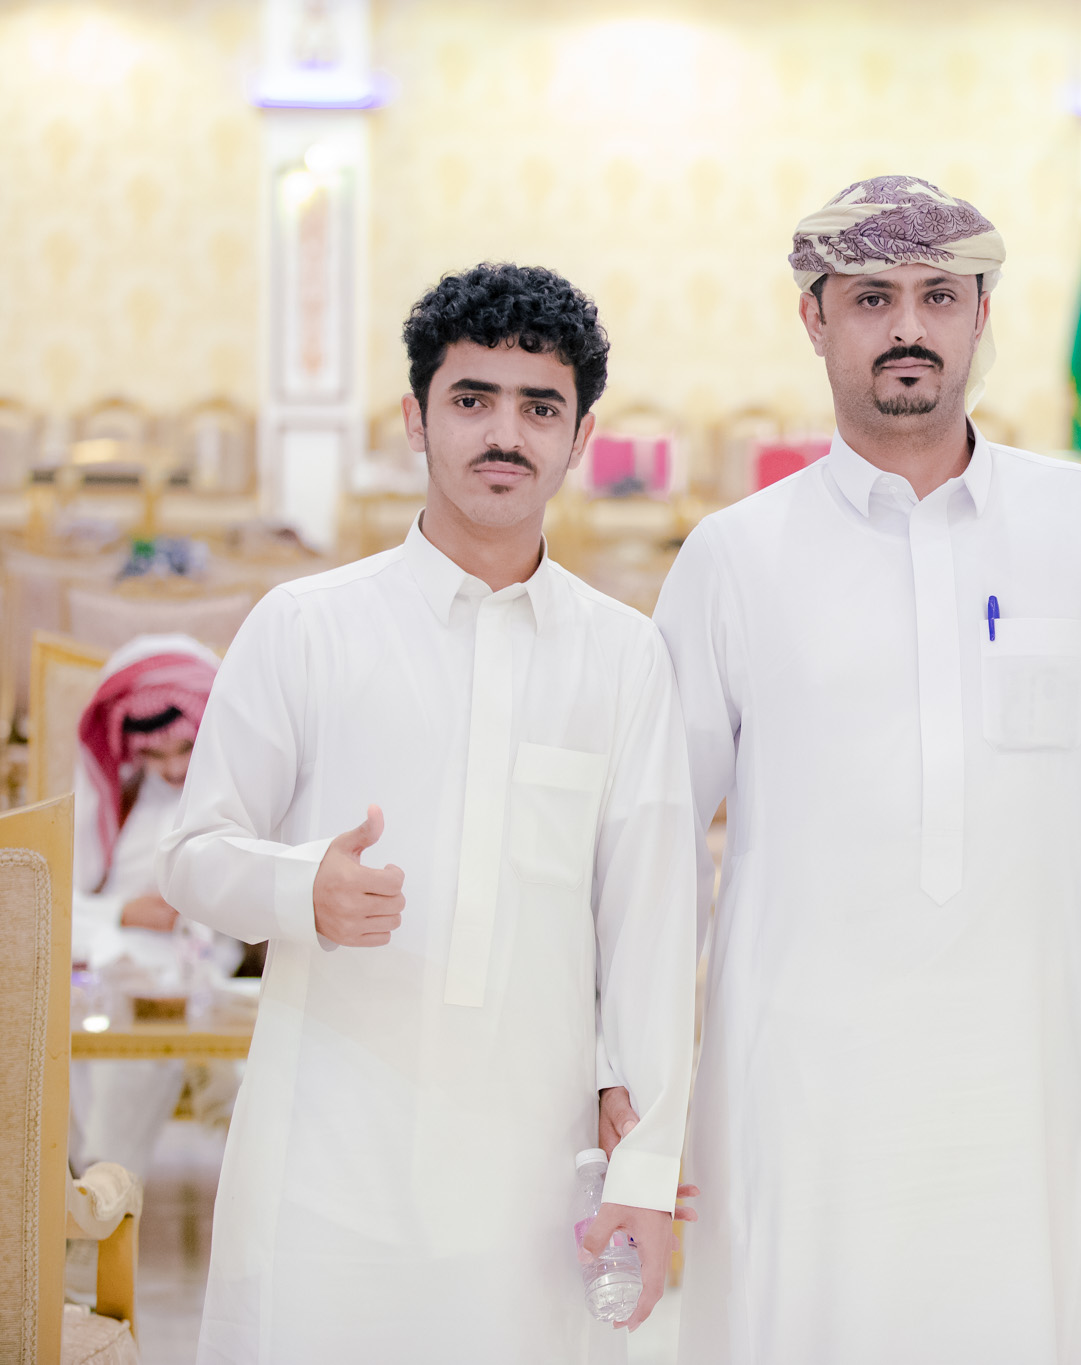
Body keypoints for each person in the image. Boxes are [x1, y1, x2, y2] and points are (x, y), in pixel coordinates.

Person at [653, 174, 1081, 1365]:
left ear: (981, 314)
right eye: (871, 298)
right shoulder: (735, 557)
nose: (908, 326)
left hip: (1032, 1064)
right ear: (814, 318)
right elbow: (656, 844)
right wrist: (636, 1086)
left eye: (938, 296)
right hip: (803, 1073)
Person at [158, 263, 698, 1362]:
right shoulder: (306, 625)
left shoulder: (624, 655)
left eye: (539, 407)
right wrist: (300, 886)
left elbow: (651, 920)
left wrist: (643, 1170)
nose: (504, 433)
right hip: (327, 1151)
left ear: (580, 437)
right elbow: (191, 855)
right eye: (472, 399)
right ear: (416, 418)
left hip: (532, 1166)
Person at [70, 634, 231, 1179]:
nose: (173, 767)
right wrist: (124, 915)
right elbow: (60, 903)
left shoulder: (223, 801)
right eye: (155, 754)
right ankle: (79, 1186)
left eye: (185, 749)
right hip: (100, 960)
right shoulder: (120, 802)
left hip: (195, 967)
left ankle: (104, 1187)